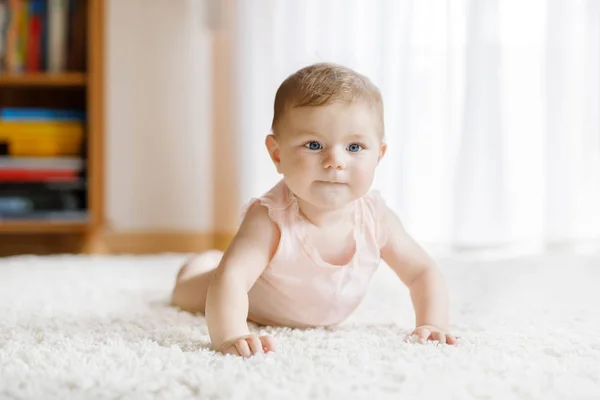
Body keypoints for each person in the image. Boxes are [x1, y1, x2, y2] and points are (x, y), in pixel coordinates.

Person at [171, 62, 457, 358]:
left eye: (355, 147)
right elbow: (231, 280)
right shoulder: (270, 218)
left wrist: (433, 323)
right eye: (314, 144)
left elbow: (422, 272)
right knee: (187, 293)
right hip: (248, 298)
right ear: (277, 154)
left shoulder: (376, 218)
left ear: (379, 155)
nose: (335, 161)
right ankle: (199, 266)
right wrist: (231, 334)